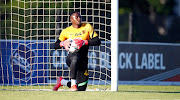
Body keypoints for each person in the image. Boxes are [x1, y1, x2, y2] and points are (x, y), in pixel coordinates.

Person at [53, 12, 101, 91]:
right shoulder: (66, 31)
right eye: (77, 17)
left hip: (83, 61)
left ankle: (62, 82)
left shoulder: (87, 27)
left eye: (80, 17)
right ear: (71, 19)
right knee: (75, 57)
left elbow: (97, 41)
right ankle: (72, 85)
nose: (79, 19)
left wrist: (84, 42)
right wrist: (63, 43)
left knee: (81, 88)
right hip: (71, 59)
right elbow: (55, 45)